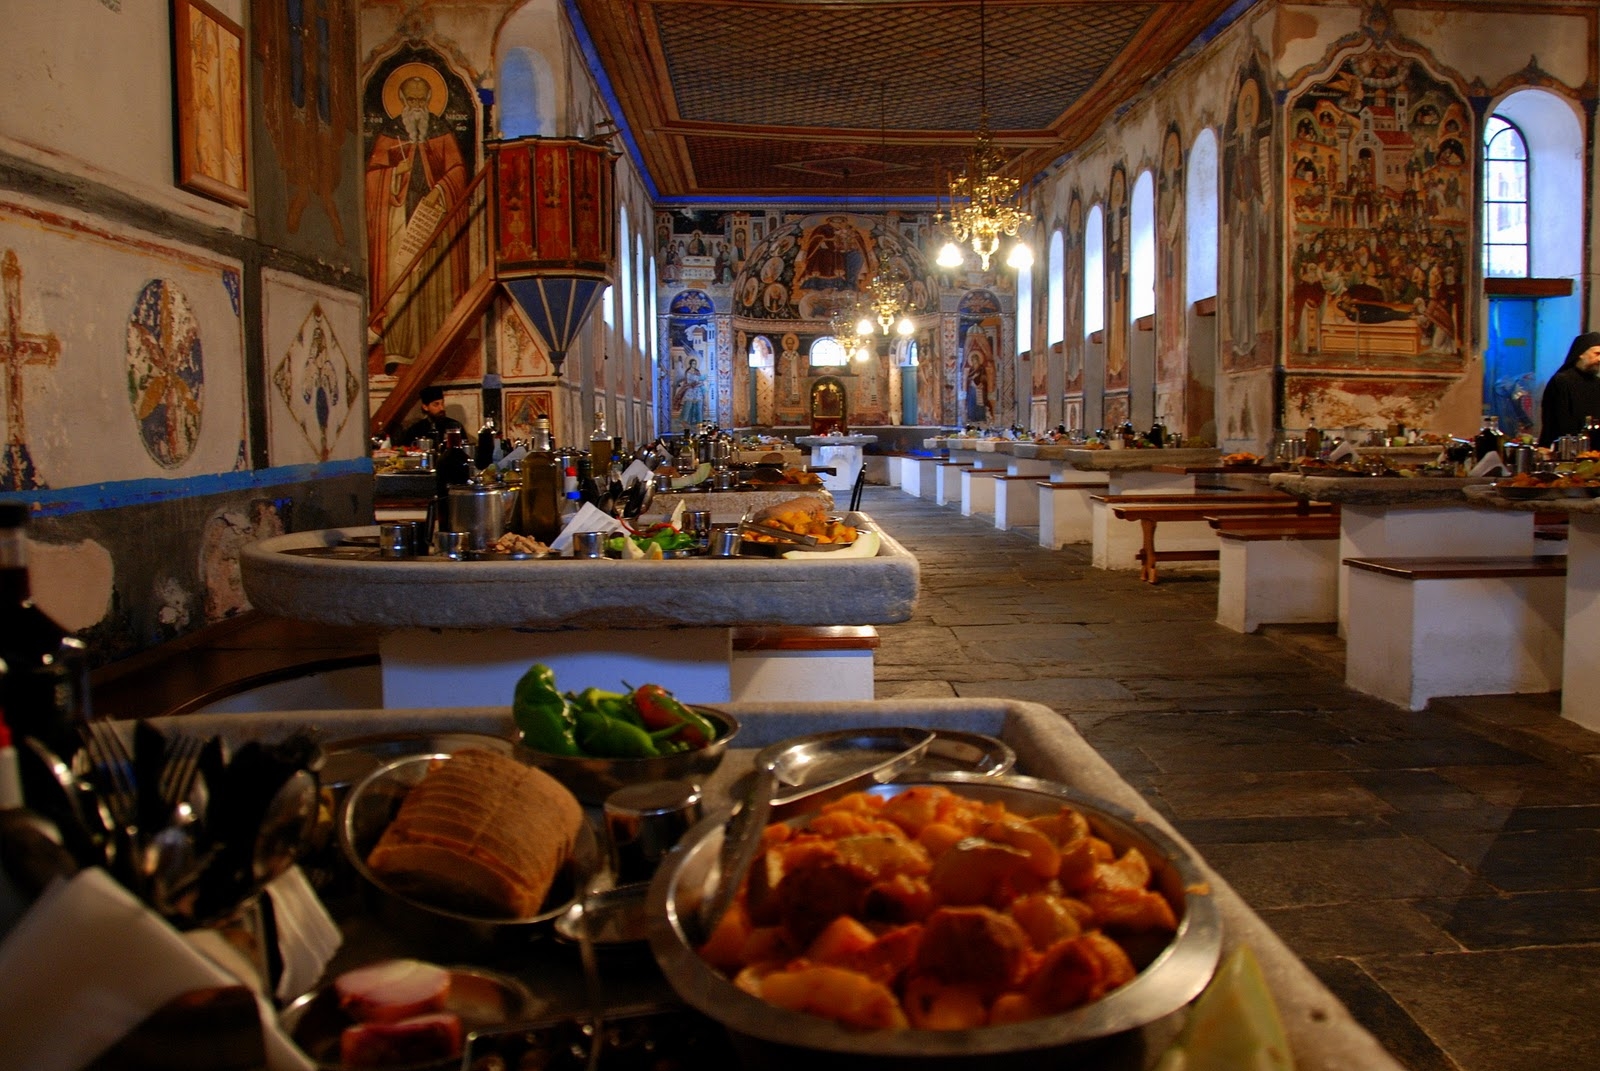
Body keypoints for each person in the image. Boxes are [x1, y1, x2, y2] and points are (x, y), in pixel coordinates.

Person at [365, 71, 470, 374]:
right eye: (411, 100)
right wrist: (394, 174)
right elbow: (372, 177)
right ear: (401, 100)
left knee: (432, 283)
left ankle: (435, 349)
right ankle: (397, 351)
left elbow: (458, 171)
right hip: (398, 219)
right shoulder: (390, 132)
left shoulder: (440, 131)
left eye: (421, 100)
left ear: (429, 100)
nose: (416, 105)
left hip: (433, 217)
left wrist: (440, 190)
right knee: (398, 282)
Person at [1538, 332, 1600, 446]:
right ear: (1581, 354)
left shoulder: (1597, 383)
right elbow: (1558, 422)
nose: (1599, 359)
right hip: (1565, 448)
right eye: (1597, 354)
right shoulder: (1562, 381)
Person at [400, 385, 465, 447]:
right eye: (436, 404)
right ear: (425, 407)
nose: (442, 408)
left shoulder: (455, 426)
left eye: (442, 403)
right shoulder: (415, 429)